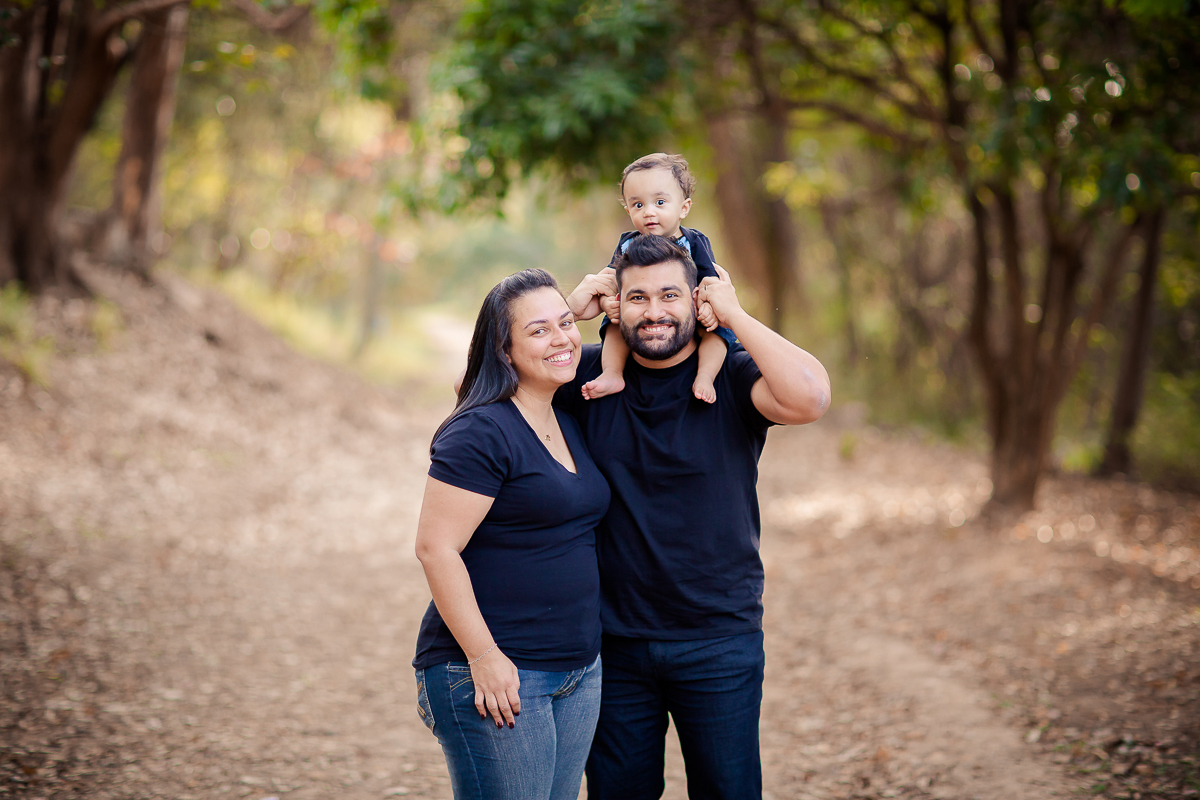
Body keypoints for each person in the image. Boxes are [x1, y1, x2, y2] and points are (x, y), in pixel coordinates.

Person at [559, 235, 831, 800]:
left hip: (718, 638)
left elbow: (811, 399)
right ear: (616, 306)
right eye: (636, 297)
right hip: (612, 641)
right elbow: (476, 388)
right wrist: (567, 312)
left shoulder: (731, 378)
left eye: (669, 295)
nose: (654, 312)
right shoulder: (587, 378)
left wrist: (734, 314)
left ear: (696, 301)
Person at [413, 268, 611, 800]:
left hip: (576, 672)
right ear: (503, 351)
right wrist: (485, 657)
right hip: (498, 672)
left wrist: (562, 317)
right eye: (539, 331)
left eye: (567, 324)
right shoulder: (480, 429)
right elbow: (436, 548)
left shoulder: (563, 416)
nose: (563, 339)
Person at [582, 153, 736, 405]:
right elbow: (611, 281)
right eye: (638, 205)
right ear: (628, 209)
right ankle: (612, 372)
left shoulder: (694, 242)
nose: (648, 212)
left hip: (691, 311)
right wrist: (608, 303)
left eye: (660, 202)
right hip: (642, 313)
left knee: (717, 331)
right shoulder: (627, 243)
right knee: (613, 323)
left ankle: (706, 376)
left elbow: (710, 280)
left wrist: (708, 307)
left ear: (683, 207)